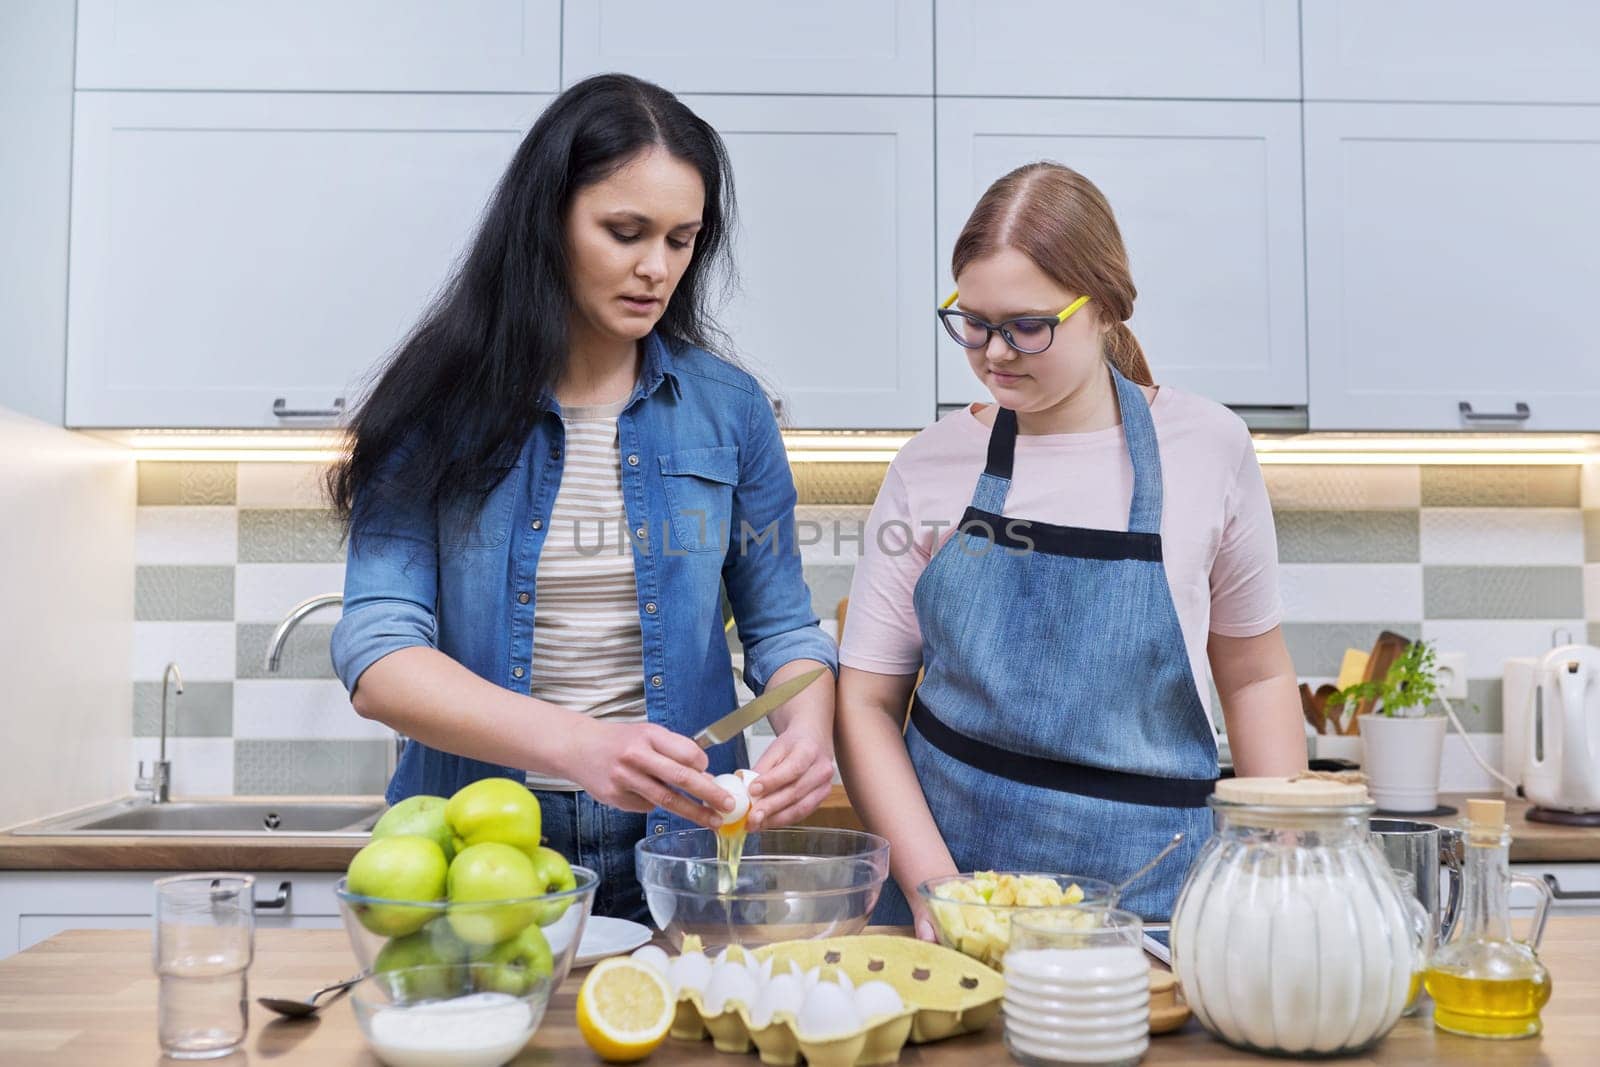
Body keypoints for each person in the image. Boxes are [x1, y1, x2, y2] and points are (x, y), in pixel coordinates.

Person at [327, 74, 837, 922]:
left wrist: (808, 732)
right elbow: (378, 658)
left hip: (684, 841)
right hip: (478, 842)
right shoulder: (432, 405)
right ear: (546, 222)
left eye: (682, 240)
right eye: (625, 232)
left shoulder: (731, 409)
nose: (656, 268)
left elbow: (785, 630)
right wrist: (580, 743)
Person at [835, 162, 1307, 934]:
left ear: (1108, 308)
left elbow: (1254, 675)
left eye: (1028, 325)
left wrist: (1284, 865)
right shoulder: (928, 466)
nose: (995, 353)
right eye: (973, 322)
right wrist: (936, 892)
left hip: (1153, 900)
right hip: (952, 888)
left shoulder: (1209, 447)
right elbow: (865, 702)